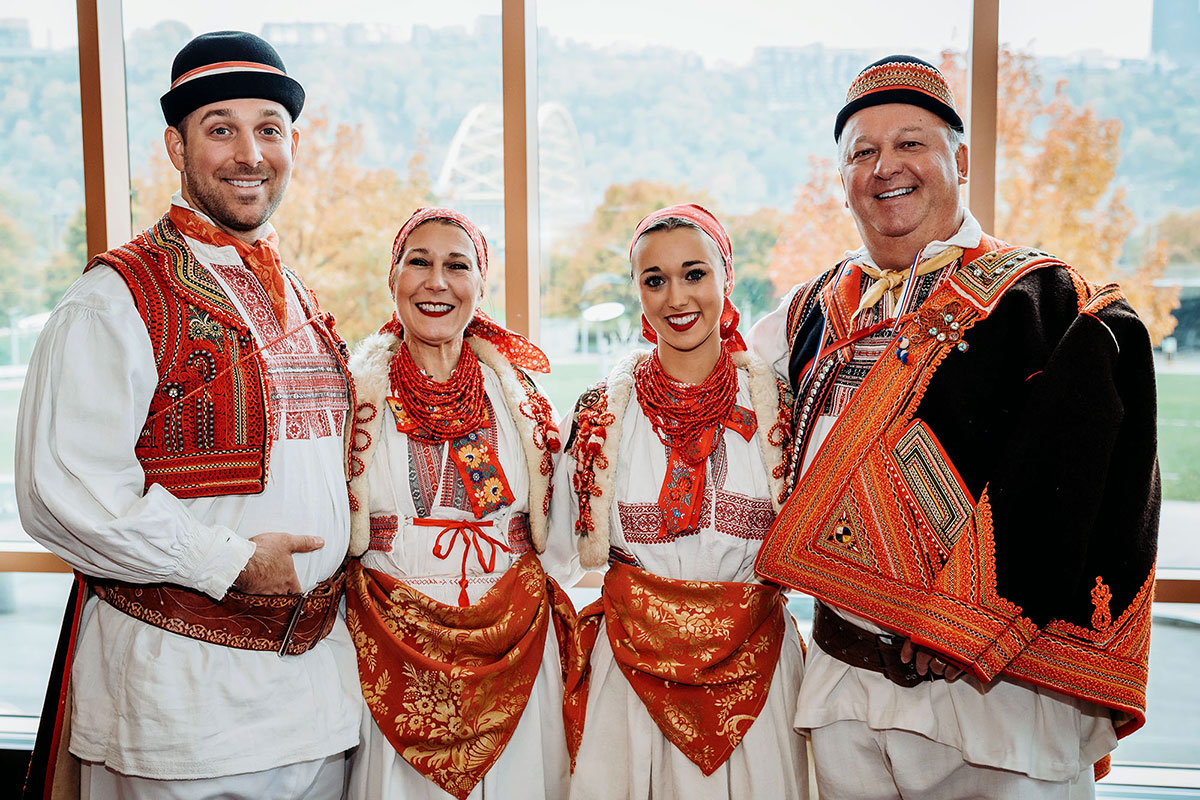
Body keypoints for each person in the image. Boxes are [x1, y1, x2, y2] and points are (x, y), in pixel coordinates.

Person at [752, 55, 1159, 799]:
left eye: (911, 143)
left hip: (998, 708)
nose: (885, 167)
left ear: (959, 160)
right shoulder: (810, 309)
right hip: (844, 693)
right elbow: (707, 394)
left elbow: (1085, 490)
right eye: (862, 153)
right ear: (840, 178)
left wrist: (970, 623)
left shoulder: (1045, 300)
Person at [17, 31, 360, 799]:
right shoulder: (114, 298)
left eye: (268, 129)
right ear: (176, 145)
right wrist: (229, 562)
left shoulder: (295, 292)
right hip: (183, 709)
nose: (249, 153)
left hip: (316, 699)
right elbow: (63, 493)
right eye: (221, 129)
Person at [552, 204, 809, 800]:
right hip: (632, 679)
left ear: (727, 277)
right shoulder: (601, 416)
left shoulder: (782, 407)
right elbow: (555, 551)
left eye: (694, 274)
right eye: (655, 279)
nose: (676, 297)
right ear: (638, 291)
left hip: (758, 680)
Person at [342, 207, 578, 800]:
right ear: (392, 277)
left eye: (457, 265)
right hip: (393, 643)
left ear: (481, 283)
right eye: (418, 262)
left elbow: (563, 526)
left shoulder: (518, 395)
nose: (436, 281)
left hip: (514, 640)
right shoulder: (352, 395)